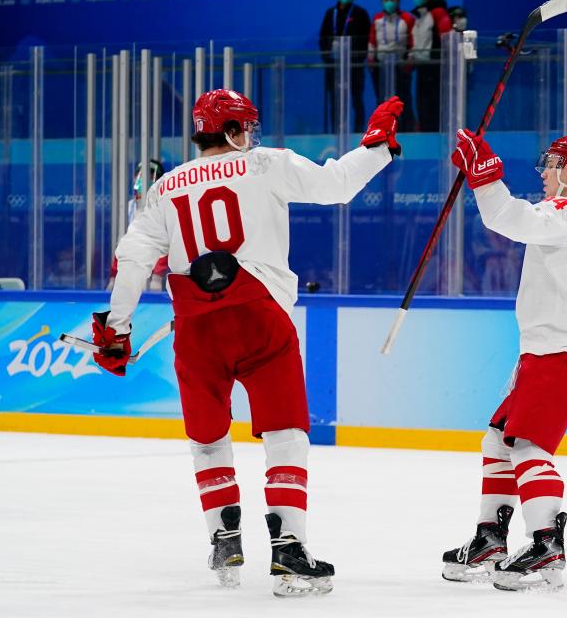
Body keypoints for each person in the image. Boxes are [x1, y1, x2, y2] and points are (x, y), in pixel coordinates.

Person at [91, 89, 402, 596]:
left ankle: (224, 540)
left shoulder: (166, 187)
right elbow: (337, 185)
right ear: (235, 130)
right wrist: (377, 148)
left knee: (208, 437)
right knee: (286, 433)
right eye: (247, 128)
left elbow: (132, 261)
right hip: (260, 316)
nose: (251, 137)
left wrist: (116, 329)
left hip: (196, 325)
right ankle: (289, 551)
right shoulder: (264, 164)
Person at [441, 131, 567, 592]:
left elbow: (509, 218)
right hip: (565, 352)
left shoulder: (565, 213)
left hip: (562, 354)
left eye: (551, 165)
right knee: (497, 438)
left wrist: (483, 177)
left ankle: (547, 543)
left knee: (527, 444)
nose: (543, 173)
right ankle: (490, 537)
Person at [318, 0, 370, 133]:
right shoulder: (330, 13)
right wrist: (327, 56)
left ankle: (358, 131)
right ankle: (336, 132)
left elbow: (365, 39)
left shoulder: (360, 13)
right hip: (334, 65)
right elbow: (323, 38)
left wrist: (357, 58)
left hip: (354, 66)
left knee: (356, 99)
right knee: (335, 100)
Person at [108, 159, 169, 291]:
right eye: (140, 175)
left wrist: (157, 278)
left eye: (152, 175)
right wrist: (114, 278)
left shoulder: (163, 207)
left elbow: (165, 245)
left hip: (156, 277)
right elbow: (123, 243)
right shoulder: (129, 207)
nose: (144, 180)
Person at [367, 0, 416, 131]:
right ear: (382, 1)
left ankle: (406, 129)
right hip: (381, 66)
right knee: (381, 99)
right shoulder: (377, 19)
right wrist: (371, 60)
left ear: (398, 0)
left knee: (403, 100)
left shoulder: (407, 18)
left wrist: (409, 62)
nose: (389, 2)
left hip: (400, 66)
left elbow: (412, 42)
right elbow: (372, 41)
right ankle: (381, 129)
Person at [409, 0, 451, 131]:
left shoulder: (438, 12)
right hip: (422, 66)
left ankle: (436, 132)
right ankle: (425, 131)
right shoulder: (418, 16)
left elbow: (446, 39)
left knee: (434, 102)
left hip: (436, 66)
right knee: (422, 103)